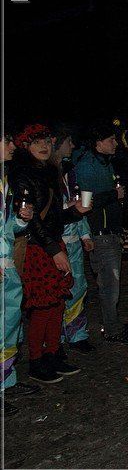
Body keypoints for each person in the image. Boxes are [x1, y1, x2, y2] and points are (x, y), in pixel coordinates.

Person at [10, 123, 88, 384]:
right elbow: (30, 220)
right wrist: (53, 250)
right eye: (36, 143)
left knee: (57, 303)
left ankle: (52, 354)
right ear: (25, 147)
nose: (43, 147)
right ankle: (36, 361)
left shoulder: (49, 171)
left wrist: (75, 212)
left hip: (52, 243)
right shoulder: (23, 174)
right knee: (42, 306)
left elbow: (52, 217)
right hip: (37, 247)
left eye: (46, 142)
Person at [73, 123, 128, 344]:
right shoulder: (87, 165)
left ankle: (112, 323)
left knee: (113, 283)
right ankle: (111, 329)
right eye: (111, 139)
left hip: (111, 231)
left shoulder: (105, 163)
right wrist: (113, 194)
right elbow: (86, 202)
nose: (115, 143)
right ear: (98, 143)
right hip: (100, 233)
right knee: (110, 284)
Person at [1, 127, 40, 416]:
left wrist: (21, 220)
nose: (13, 145)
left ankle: (7, 381)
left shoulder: (5, 181)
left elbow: (6, 229)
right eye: (6, 140)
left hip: (7, 267)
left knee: (10, 328)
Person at [49, 124, 96, 353]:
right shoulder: (45, 173)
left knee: (78, 287)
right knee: (56, 290)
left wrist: (85, 234)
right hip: (56, 242)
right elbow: (48, 212)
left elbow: (77, 204)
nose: (73, 145)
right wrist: (69, 207)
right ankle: (54, 338)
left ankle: (77, 334)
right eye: (69, 141)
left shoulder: (68, 171)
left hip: (73, 240)